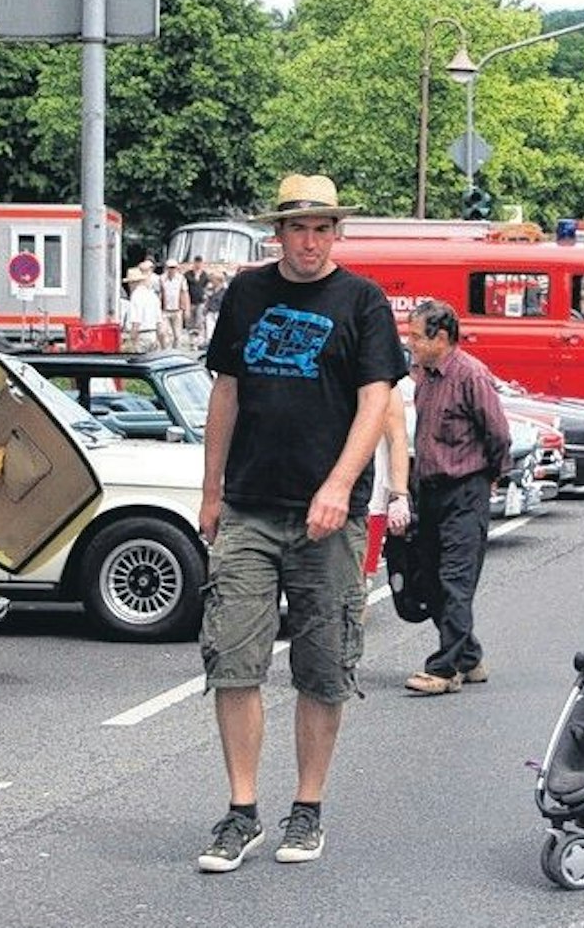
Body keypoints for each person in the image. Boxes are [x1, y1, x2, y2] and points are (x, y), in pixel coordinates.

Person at [195, 173, 407, 873]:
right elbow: (225, 391)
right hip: (251, 506)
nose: (311, 242)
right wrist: (211, 491)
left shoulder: (363, 301)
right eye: (298, 228)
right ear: (277, 233)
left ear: (336, 234)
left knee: (322, 667)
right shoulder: (247, 294)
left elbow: (377, 400)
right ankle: (241, 810)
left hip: (329, 517)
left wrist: (341, 485)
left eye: (323, 229)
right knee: (234, 658)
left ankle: (307, 807)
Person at [387, 298, 511, 695]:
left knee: (456, 579)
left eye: (417, 337)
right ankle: (468, 656)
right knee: (429, 580)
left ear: (441, 337)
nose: (412, 344)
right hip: (430, 490)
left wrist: (491, 476)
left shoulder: (470, 375)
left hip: (465, 488)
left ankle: (444, 668)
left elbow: (499, 434)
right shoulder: (424, 374)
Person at [123, 267, 161, 352]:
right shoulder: (152, 295)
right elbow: (159, 321)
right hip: (153, 335)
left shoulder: (135, 296)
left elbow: (136, 321)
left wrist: (132, 340)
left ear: (132, 283)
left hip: (141, 336)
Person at [159, 262, 191, 349]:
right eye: (170, 268)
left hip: (177, 310)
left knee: (177, 335)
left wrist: (187, 309)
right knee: (164, 332)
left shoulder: (181, 279)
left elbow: (185, 293)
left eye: (173, 268)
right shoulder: (161, 279)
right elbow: (159, 293)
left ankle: (176, 350)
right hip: (165, 310)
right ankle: (165, 350)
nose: (172, 270)